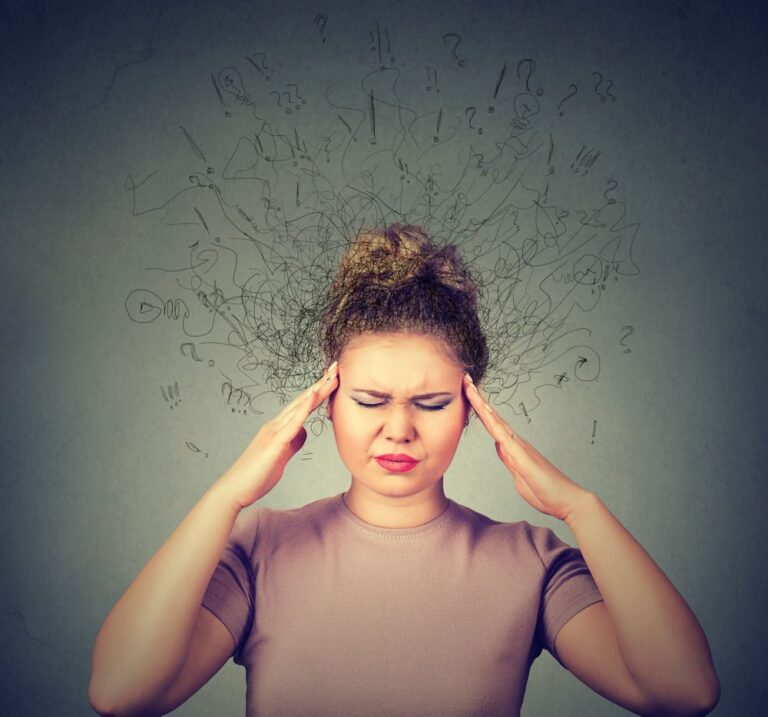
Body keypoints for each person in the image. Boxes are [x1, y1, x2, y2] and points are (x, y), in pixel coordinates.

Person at [88, 225, 720, 716]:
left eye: (432, 403)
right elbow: (121, 694)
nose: (398, 429)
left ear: (472, 409)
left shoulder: (531, 562)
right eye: (368, 401)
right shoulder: (259, 549)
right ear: (327, 402)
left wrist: (581, 507)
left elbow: (684, 694)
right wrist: (225, 497)